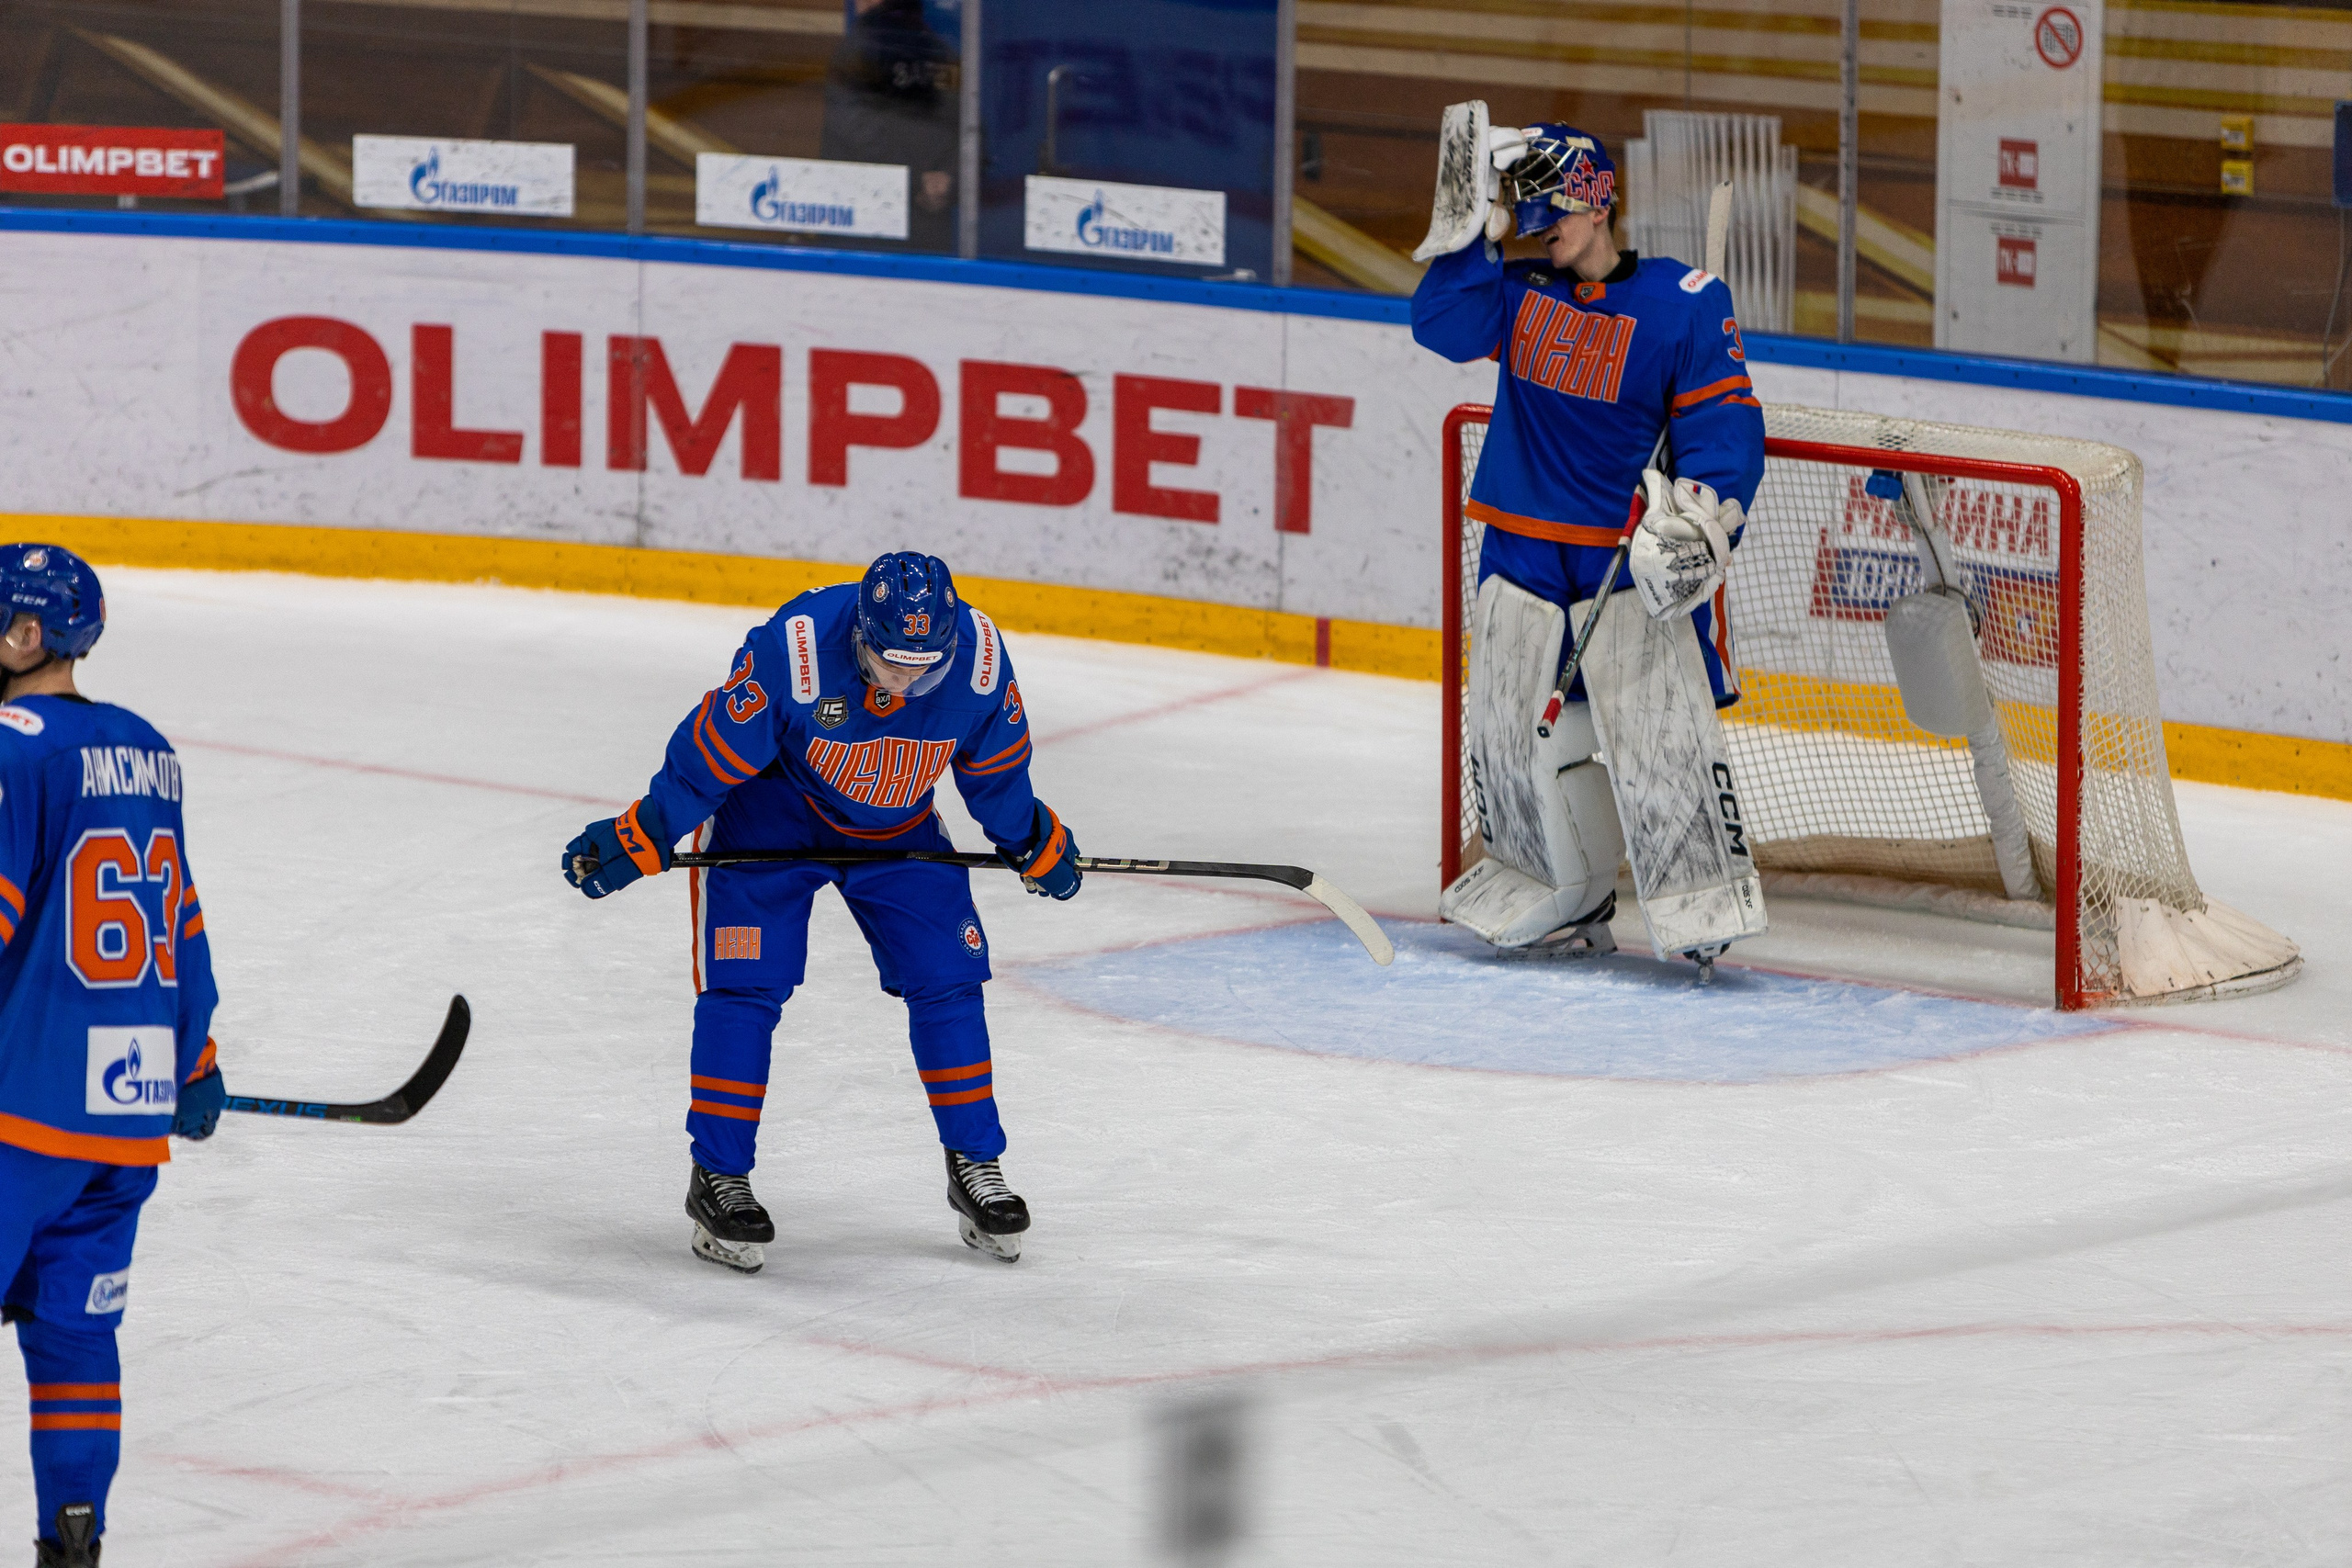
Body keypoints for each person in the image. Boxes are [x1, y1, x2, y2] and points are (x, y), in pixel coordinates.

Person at [561, 552, 1078, 1269]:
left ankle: (976, 1166)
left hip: (897, 828)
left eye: (923, 670)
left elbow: (994, 776)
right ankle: (720, 1176)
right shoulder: (796, 648)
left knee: (948, 978)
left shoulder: (981, 664)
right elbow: (709, 757)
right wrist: (645, 829)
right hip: (772, 816)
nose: (904, 683)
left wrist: (1033, 837)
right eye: (889, 664)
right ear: (859, 634)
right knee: (745, 986)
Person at [1410, 121, 1770, 963]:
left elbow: (1724, 422)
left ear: (1596, 201)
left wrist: (1706, 515)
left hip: (1622, 558)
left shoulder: (1685, 302)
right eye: (1527, 218)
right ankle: (1563, 888)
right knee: (1512, 737)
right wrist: (1468, 238)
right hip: (1521, 549)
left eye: (1550, 214)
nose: (1539, 230)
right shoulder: (1520, 290)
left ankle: (1700, 903)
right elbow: (1439, 325)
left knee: (1658, 737)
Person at [0, 546, 224, 1567]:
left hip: (17, 1113)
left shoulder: (11, 747)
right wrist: (196, 1056)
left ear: (27, 635)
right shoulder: (146, 748)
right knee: (78, 1344)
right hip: (122, 1127)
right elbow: (178, 920)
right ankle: (72, 1546)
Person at [820, 0, 960, 253]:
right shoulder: (943, 52)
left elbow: (854, 128)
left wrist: (921, 179)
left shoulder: (858, 51)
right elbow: (970, 132)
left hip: (863, 220)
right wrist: (946, 178)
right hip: (924, 226)